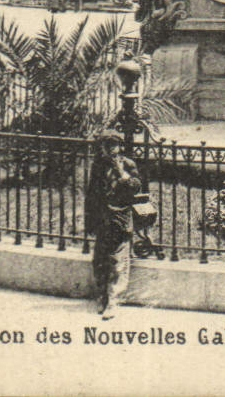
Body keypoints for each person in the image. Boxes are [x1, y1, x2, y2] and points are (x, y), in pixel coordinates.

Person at [85, 130, 142, 318]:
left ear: (120, 147)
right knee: (99, 260)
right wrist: (90, 220)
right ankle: (102, 297)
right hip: (103, 218)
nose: (110, 150)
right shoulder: (98, 166)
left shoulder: (128, 164)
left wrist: (121, 173)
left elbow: (135, 186)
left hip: (121, 218)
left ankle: (113, 300)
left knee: (118, 262)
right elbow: (92, 194)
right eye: (106, 146)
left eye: (113, 145)